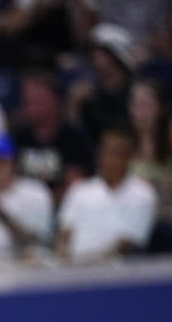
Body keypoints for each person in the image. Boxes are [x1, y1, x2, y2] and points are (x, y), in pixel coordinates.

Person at [57, 126, 157, 261]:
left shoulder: (144, 194)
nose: (109, 158)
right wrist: (62, 262)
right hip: (73, 270)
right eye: (106, 151)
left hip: (117, 272)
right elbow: (64, 233)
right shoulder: (80, 190)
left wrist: (94, 263)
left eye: (116, 152)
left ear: (129, 156)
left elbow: (128, 243)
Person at [14, 71, 94, 202]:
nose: (31, 106)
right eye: (27, 100)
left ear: (55, 101)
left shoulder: (74, 139)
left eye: (37, 100)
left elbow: (75, 187)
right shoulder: (18, 138)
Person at [73, 23, 135, 143]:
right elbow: (78, 137)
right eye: (93, 52)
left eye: (100, 52)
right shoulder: (89, 94)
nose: (94, 57)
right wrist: (74, 105)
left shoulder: (135, 91)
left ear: (116, 55)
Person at [128, 80, 172, 223]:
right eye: (137, 105)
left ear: (160, 109)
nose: (142, 113)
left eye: (147, 105)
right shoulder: (123, 148)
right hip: (133, 222)